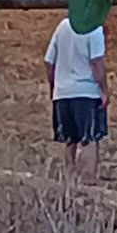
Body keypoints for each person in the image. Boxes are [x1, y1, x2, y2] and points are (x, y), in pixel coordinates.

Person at [44, 16, 108, 183]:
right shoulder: (94, 29)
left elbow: (49, 61)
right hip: (86, 92)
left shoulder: (62, 26)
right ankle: (89, 181)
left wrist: (54, 86)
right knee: (90, 138)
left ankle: (68, 180)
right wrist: (104, 90)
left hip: (63, 92)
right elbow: (97, 63)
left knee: (69, 139)